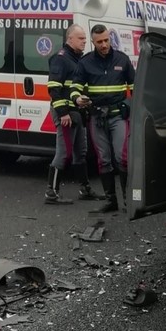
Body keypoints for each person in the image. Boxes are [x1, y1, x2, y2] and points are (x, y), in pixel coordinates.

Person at [71, 24, 135, 212]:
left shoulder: (122, 60)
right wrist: (77, 98)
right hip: (97, 117)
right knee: (104, 160)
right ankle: (111, 201)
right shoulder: (85, 62)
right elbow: (75, 86)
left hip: (118, 117)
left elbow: (136, 85)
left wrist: (130, 105)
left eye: (106, 40)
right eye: (99, 42)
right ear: (93, 42)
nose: (104, 44)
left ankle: (127, 200)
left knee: (122, 158)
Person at [44, 24, 104, 204]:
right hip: (66, 113)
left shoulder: (78, 60)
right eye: (81, 38)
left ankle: (85, 189)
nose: (85, 41)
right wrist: (63, 113)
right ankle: (51, 193)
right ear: (70, 39)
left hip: (77, 113)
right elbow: (54, 88)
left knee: (81, 152)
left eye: (85, 38)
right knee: (64, 153)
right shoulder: (61, 59)